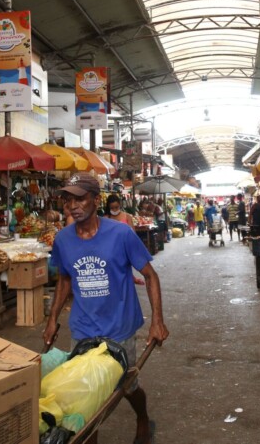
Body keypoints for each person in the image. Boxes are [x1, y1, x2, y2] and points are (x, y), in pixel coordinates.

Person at [44, 173, 168, 444]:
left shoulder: (121, 233)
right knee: (88, 398)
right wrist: (52, 318)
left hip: (119, 328)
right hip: (83, 329)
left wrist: (157, 320)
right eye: (68, 200)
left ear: (96, 200)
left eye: (80, 198)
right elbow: (65, 278)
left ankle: (143, 417)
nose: (73, 205)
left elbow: (150, 275)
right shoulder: (63, 240)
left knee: (126, 387)